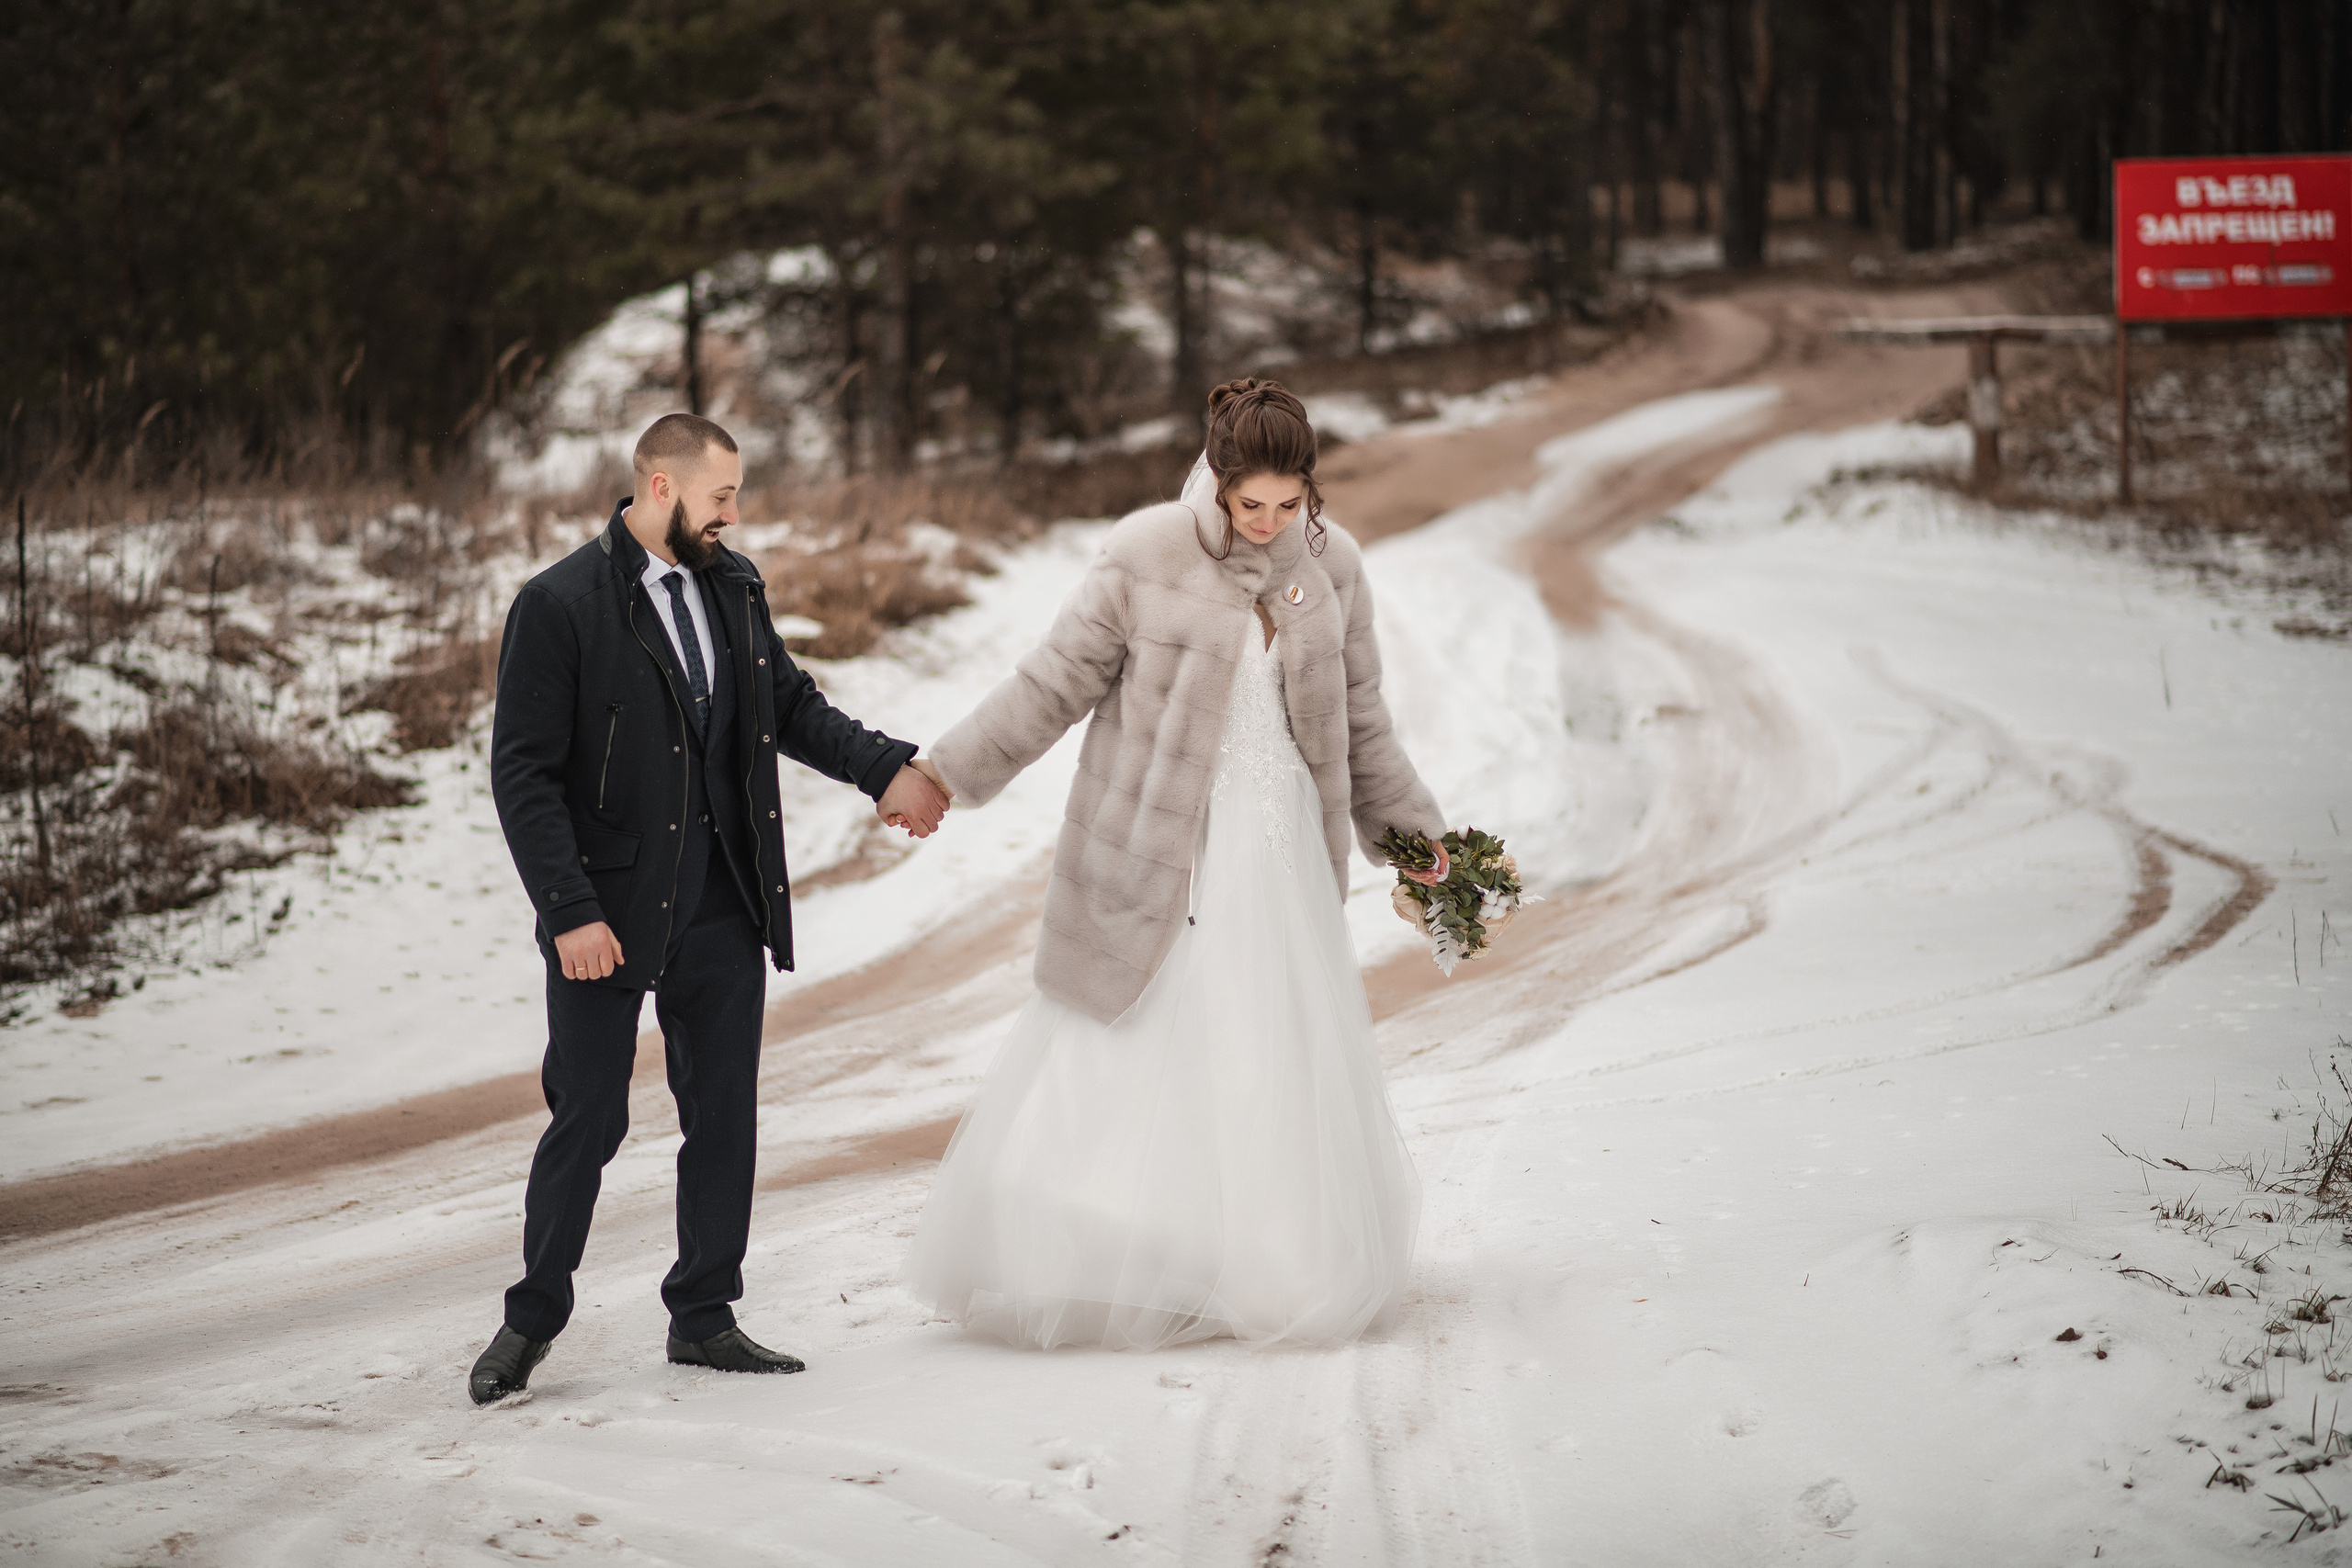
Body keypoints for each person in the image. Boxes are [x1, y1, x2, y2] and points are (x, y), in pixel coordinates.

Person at [900, 378, 1449, 1351]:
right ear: (1217, 480)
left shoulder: (1334, 567)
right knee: (1137, 1031)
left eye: (1290, 505)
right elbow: (1052, 680)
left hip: (1278, 841)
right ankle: (1118, 1252)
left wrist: (1413, 838)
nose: (1269, 524)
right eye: (1251, 505)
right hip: (1159, 845)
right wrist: (945, 771)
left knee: (1266, 1044)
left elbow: (1361, 718)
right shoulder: (1145, 555)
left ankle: (1269, 1260)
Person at [469, 412, 951, 1404]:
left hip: (723, 897)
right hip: (604, 916)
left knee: (723, 1114)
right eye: (721, 495)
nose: (735, 512)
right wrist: (568, 912)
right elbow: (522, 776)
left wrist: (886, 771)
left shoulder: (733, 585)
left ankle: (704, 1316)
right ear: (660, 489)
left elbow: (787, 707)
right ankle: (530, 1322)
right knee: (589, 1118)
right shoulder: (559, 604)